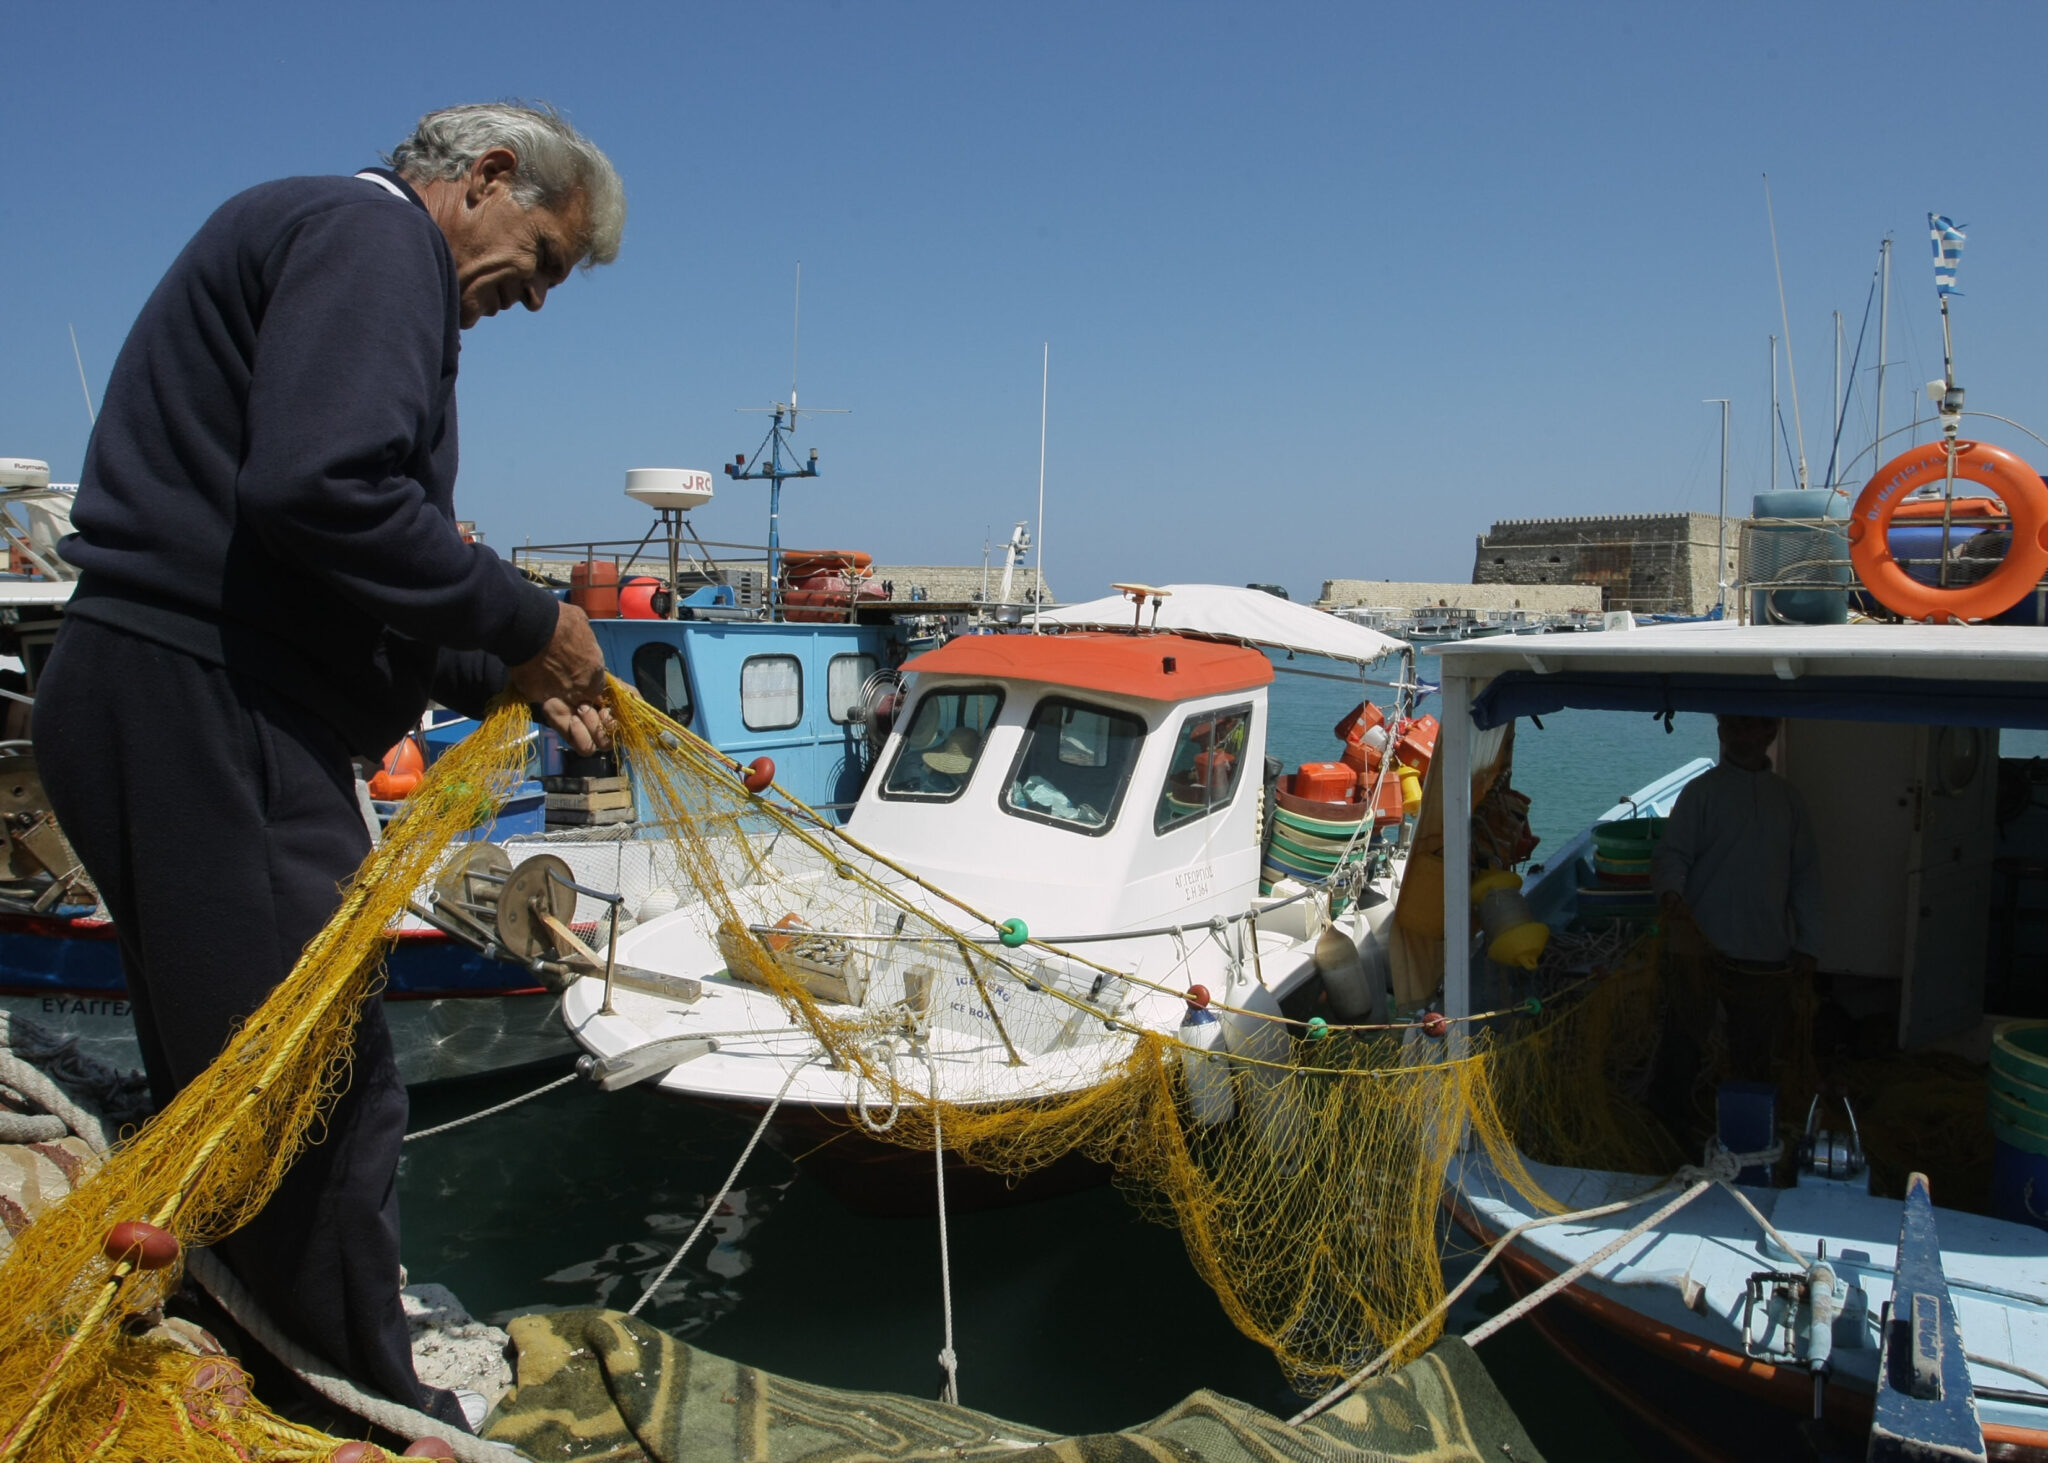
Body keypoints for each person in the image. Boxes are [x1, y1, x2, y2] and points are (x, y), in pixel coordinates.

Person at [31, 103, 626, 1429]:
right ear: (484, 178)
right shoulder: (373, 239)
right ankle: (359, 1412)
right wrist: (528, 618)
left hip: (167, 695)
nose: (532, 300)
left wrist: (499, 667)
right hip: (214, 706)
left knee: (237, 1081)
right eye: (540, 260)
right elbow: (325, 488)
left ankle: (256, 1357)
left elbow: (331, 560)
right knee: (316, 1092)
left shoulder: (322, 235)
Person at [1650, 714, 1824, 1114]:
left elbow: (1805, 876)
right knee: (1681, 1043)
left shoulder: (1788, 800)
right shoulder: (1700, 792)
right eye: (1732, 728)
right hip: (1697, 946)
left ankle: (1748, 1130)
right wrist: (1671, 891)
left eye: (1750, 727)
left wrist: (1808, 944)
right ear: (1720, 732)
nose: (1741, 736)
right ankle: (1667, 1125)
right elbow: (1672, 854)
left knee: (1754, 1052)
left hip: (1765, 951)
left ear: (1771, 732)